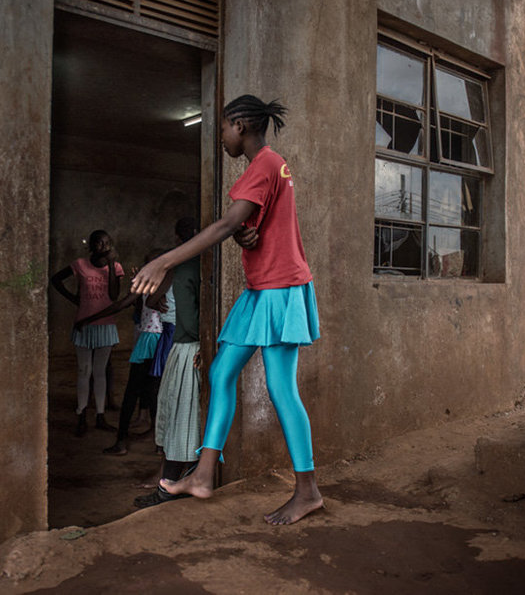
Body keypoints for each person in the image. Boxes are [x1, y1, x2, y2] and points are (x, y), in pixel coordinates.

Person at [131, 95, 323, 525]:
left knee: (281, 389)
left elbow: (224, 224)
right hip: (261, 288)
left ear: (239, 125)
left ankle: (308, 491)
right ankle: (202, 474)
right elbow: (247, 226)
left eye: (222, 129)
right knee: (219, 373)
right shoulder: (270, 166)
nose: (220, 138)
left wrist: (165, 260)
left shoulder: (264, 165)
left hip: (279, 288)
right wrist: (245, 236)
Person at [134, 217, 202, 508]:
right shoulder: (197, 265)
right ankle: (172, 483)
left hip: (186, 346)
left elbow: (188, 321)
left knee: (179, 420)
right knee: (183, 419)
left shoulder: (183, 267)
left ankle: (168, 488)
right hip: (190, 346)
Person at [51, 230, 123, 436]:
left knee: (99, 372)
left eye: (107, 243)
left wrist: (110, 265)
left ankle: (100, 416)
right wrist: (74, 299)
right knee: (84, 371)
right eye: (99, 243)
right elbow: (56, 279)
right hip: (83, 324)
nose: (104, 246)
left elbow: (114, 295)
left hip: (106, 325)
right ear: (91, 246)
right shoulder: (80, 264)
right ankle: (81, 414)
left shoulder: (116, 267)